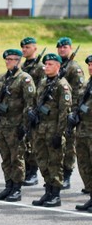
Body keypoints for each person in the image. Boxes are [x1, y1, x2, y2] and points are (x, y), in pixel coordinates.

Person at [0, 49, 35, 202]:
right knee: (5, 157)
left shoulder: (25, 79)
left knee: (17, 158)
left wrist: (24, 126)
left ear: (19, 61)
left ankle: (17, 188)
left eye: (12, 59)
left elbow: (30, 104)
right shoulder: (1, 78)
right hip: (3, 124)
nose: (8, 61)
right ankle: (8, 185)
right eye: (6, 59)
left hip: (16, 125)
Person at [29, 53, 71, 207]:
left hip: (54, 131)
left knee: (55, 162)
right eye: (46, 64)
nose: (46, 67)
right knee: (42, 161)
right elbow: (35, 102)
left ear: (58, 66)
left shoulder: (62, 85)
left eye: (51, 64)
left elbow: (64, 112)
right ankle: (48, 190)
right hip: (40, 129)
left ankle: (56, 194)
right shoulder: (43, 83)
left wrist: (59, 134)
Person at [56, 37, 85, 189]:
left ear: (71, 48)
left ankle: (67, 175)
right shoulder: (58, 66)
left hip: (70, 113)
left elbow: (79, 93)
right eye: (60, 47)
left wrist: (73, 113)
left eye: (65, 47)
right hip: (57, 113)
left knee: (69, 146)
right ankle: (58, 175)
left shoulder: (74, 68)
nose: (62, 49)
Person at [21, 37, 45, 186]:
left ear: (35, 49)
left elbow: (42, 90)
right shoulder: (23, 66)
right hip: (22, 109)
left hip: (34, 109)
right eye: (23, 47)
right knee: (24, 142)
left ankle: (33, 173)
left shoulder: (40, 68)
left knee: (32, 142)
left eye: (27, 47)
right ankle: (26, 170)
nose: (24, 50)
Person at [72, 55, 92, 210]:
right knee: (84, 165)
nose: (90, 67)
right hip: (82, 132)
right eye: (90, 65)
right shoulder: (86, 86)